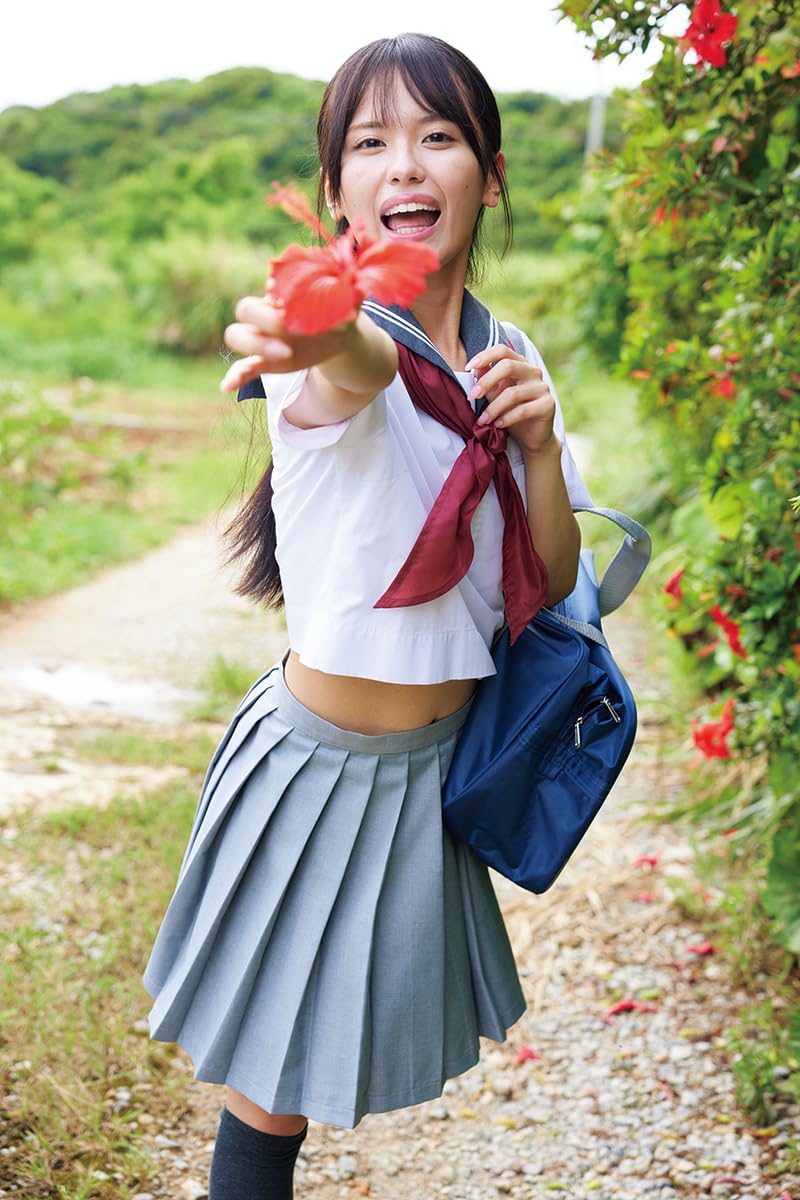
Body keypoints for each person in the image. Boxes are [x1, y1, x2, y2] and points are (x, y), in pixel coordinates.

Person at [143, 31, 591, 1199]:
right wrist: (312, 330)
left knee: (328, 1060)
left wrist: (539, 448)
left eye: (438, 137)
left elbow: (546, 575)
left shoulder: (507, 353)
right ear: (337, 188)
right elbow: (352, 365)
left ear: (486, 175)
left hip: (434, 772)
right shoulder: (338, 341)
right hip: (323, 769)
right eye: (371, 142)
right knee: (272, 1086)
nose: (406, 164)